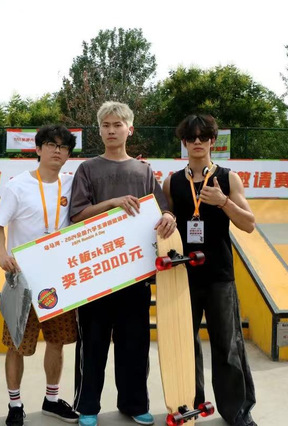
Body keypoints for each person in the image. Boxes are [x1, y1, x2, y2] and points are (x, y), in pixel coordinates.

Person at [70, 101, 177, 426]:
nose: (112, 130)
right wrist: (112, 203)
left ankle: (134, 403)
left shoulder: (143, 171)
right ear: (99, 130)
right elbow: (77, 216)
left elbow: (162, 209)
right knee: (93, 345)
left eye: (118, 124)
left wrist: (169, 216)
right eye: (106, 125)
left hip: (135, 274)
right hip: (96, 274)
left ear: (130, 129)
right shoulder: (88, 169)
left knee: (134, 345)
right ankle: (88, 407)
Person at [162, 114, 257, 426]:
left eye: (204, 137)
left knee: (228, 346)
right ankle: (189, 405)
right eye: (191, 138)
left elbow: (249, 224)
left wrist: (223, 201)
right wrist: (167, 216)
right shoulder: (173, 182)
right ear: (184, 142)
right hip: (182, 275)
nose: (198, 142)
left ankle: (237, 411)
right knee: (185, 345)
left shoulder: (228, 179)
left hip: (219, 275)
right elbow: (166, 219)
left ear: (213, 141)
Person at [0, 125, 80, 426]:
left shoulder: (72, 183)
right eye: (51, 144)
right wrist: (1, 254)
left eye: (64, 147)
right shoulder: (18, 186)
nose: (57, 151)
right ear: (38, 149)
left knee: (58, 341)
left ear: (68, 154)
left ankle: (51, 400)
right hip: (23, 279)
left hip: (58, 279)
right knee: (16, 344)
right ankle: (15, 404)